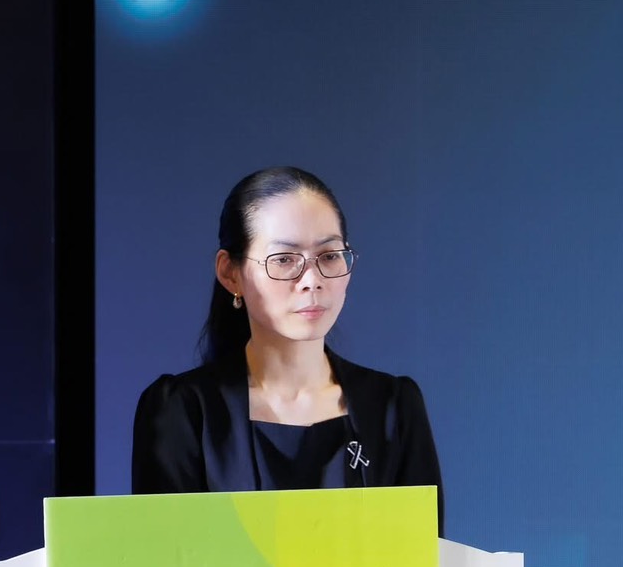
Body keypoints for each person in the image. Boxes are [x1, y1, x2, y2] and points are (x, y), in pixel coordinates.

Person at [131, 165, 443, 531]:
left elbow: (423, 555)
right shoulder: (181, 410)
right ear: (231, 273)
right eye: (284, 259)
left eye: (329, 255)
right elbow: (168, 557)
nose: (312, 280)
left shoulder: (393, 406)